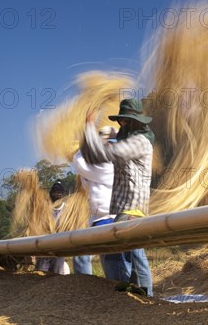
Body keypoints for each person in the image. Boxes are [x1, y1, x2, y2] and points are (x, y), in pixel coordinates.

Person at [82, 98, 154, 296]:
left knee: (133, 256)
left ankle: (145, 300)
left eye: (125, 122)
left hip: (133, 209)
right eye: (120, 122)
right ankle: (134, 296)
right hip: (126, 208)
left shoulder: (139, 142)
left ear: (134, 123)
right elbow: (95, 154)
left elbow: (101, 155)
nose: (121, 126)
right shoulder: (131, 141)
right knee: (131, 254)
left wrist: (89, 126)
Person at [71, 126, 117, 276]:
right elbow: (86, 179)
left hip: (108, 219)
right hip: (102, 219)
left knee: (109, 261)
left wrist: (82, 147)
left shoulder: (107, 166)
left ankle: (111, 292)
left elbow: (79, 164)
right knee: (106, 259)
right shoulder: (100, 167)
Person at [35, 181, 70, 275]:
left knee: (57, 273)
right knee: (41, 272)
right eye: (55, 192)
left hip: (60, 247)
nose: (57, 195)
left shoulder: (67, 210)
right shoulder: (44, 209)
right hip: (45, 246)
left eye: (59, 192)